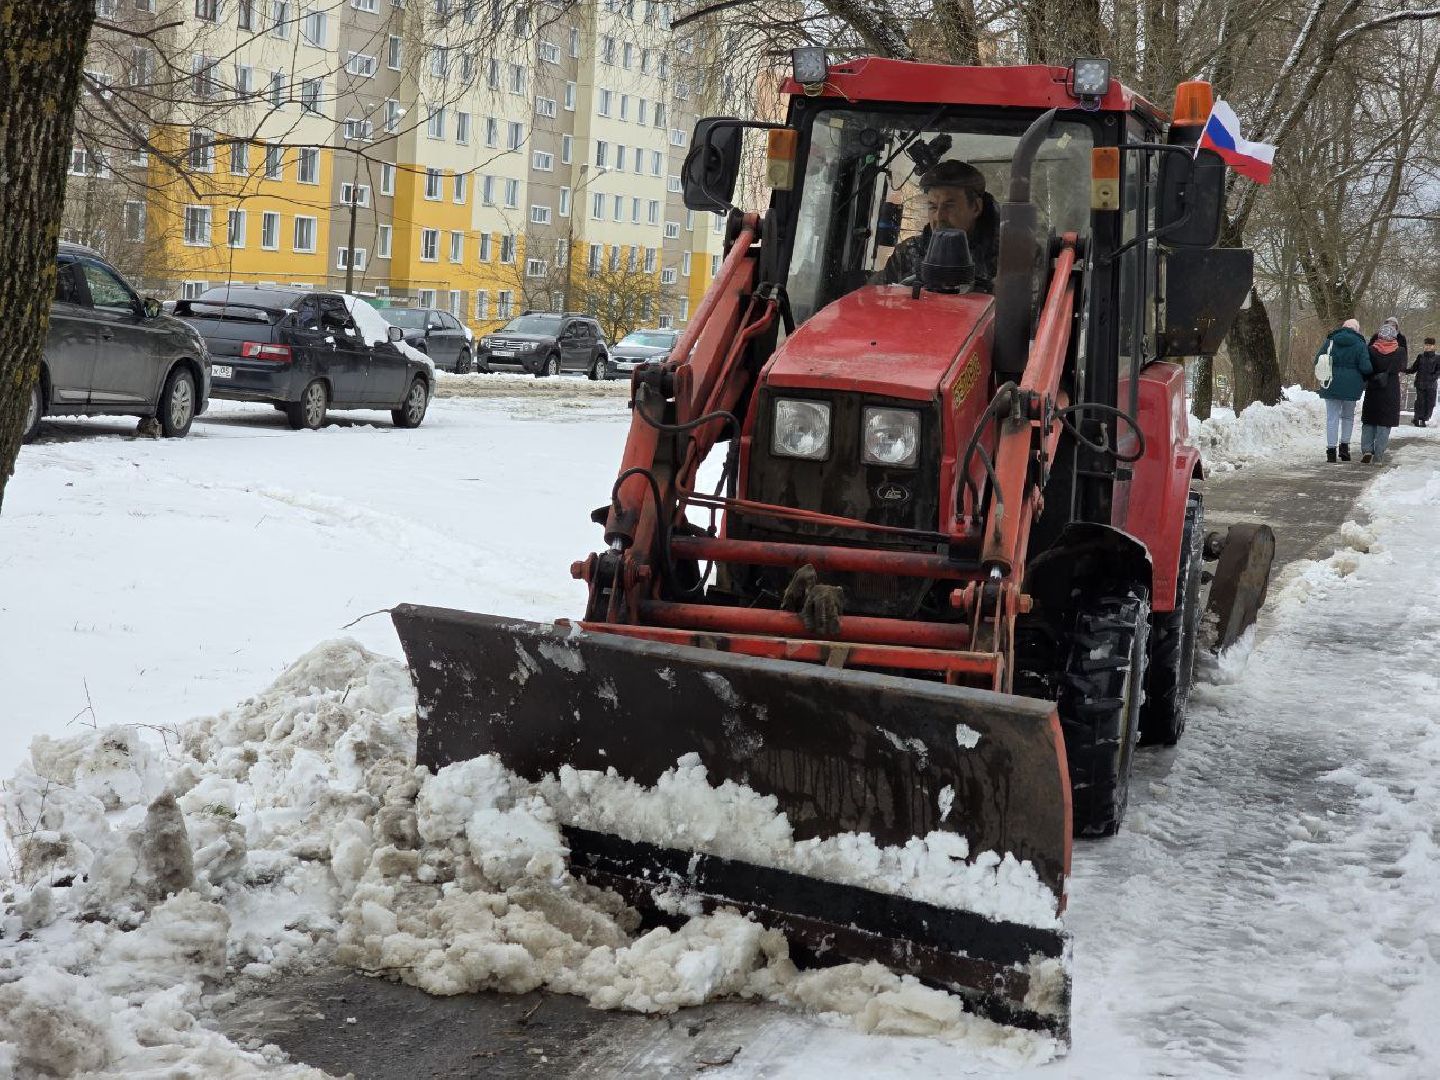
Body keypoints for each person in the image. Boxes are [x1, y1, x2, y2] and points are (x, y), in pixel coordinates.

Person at [882, 160, 999, 291]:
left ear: (976, 207)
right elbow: (878, 301)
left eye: (949, 206)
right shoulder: (906, 255)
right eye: (933, 207)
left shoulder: (1009, 258)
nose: (939, 217)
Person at [1316, 318, 1372, 463]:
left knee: (1332, 418)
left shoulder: (1331, 341)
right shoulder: (1360, 344)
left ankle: (1331, 452)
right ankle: (1344, 449)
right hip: (1352, 386)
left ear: (1343, 327)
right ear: (1356, 329)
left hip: (1331, 383)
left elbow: (1318, 360)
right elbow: (1366, 367)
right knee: (1347, 417)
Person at [1361, 318, 1406, 463]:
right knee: (1384, 423)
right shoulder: (1400, 351)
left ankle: (1367, 450)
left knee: (1369, 420)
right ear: (1394, 336)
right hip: (1390, 389)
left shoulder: (1371, 349)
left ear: (1379, 335)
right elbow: (1402, 367)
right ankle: (1379, 454)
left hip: (1374, 388)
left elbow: (1366, 368)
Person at [1407, 336, 1439, 426]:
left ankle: (1424, 419)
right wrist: (1405, 370)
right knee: (1420, 401)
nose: (1427, 347)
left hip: (1431, 385)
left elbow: (1438, 371)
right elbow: (1414, 368)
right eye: (1426, 345)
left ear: (1433, 346)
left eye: (1430, 345)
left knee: (1430, 403)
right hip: (1420, 383)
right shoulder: (1420, 356)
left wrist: (1432, 377)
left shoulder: (1437, 358)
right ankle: (1417, 418)